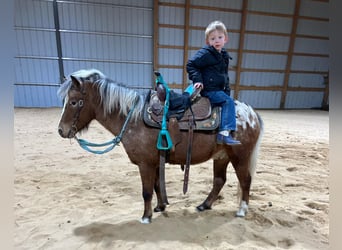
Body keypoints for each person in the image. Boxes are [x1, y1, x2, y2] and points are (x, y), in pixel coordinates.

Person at [186, 20, 241, 145]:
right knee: (228, 101)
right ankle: (224, 133)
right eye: (213, 38)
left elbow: (223, 75)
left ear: (225, 39)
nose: (216, 40)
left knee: (228, 100)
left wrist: (226, 90)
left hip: (218, 89)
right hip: (210, 90)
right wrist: (197, 80)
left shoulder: (223, 55)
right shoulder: (205, 54)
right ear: (208, 41)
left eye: (219, 37)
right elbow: (191, 64)